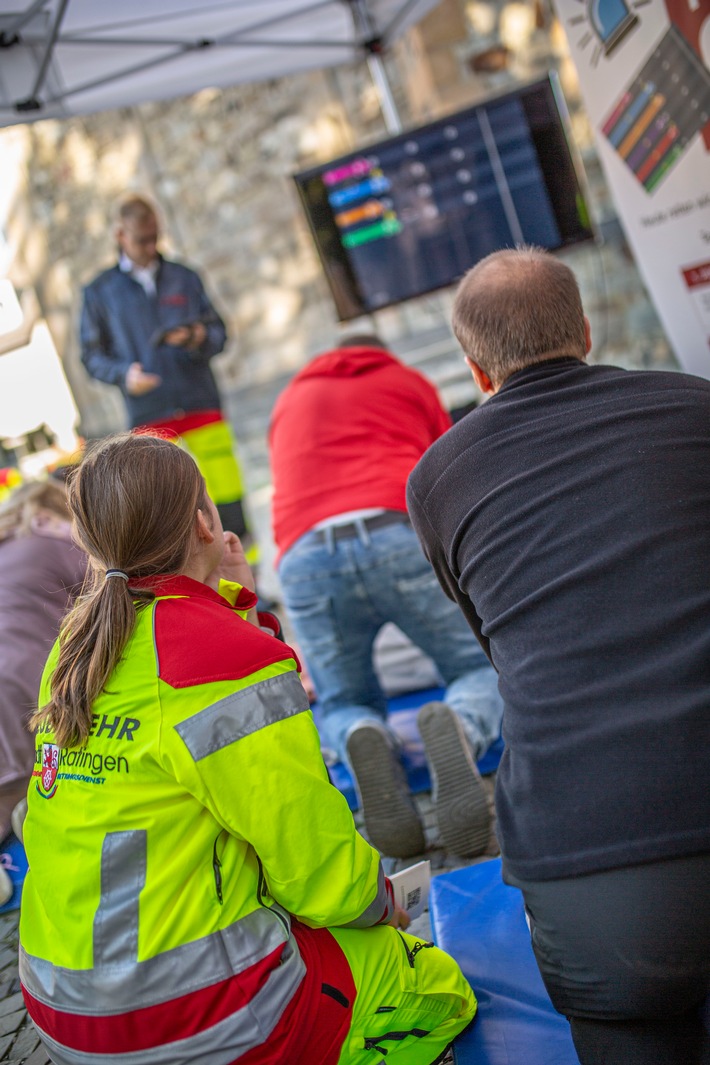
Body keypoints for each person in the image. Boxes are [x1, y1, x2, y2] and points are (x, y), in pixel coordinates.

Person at [18, 432, 476, 1065]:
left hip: (62, 1011)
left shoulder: (75, 650)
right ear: (206, 522)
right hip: (197, 1014)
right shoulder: (224, 659)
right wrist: (385, 904)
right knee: (437, 988)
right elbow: (321, 878)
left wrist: (232, 608)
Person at [406, 247, 710, 1065]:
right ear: (584, 329)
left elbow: (500, 643)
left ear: (475, 371)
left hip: (589, 861)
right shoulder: (698, 406)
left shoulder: (439, 478)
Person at [269, 335, 503, 860]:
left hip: (305, 555)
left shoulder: (290, 400)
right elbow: (450, 475)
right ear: (382, 354)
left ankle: (361, 733)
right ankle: (462, 727)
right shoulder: (406, 381)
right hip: (395, 527)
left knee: (343, 696)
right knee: (479, 665)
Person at [80, 194, 257, 562]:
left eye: (154, 237)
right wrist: (124, 375)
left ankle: (247, 576)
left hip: (201, 404)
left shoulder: (184, 276)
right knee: (173, 512)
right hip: (150, 417)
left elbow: (219, 334)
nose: (150, 246)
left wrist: (196, 337)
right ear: (120, 236)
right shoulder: (99, 292)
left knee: (227, 499)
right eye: (141, 239)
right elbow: (92, 356)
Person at [0, 478, 86, 844]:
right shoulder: (59, 539)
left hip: (10, 674)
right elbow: (114, 595)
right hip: (25, 681)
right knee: (31, 790)